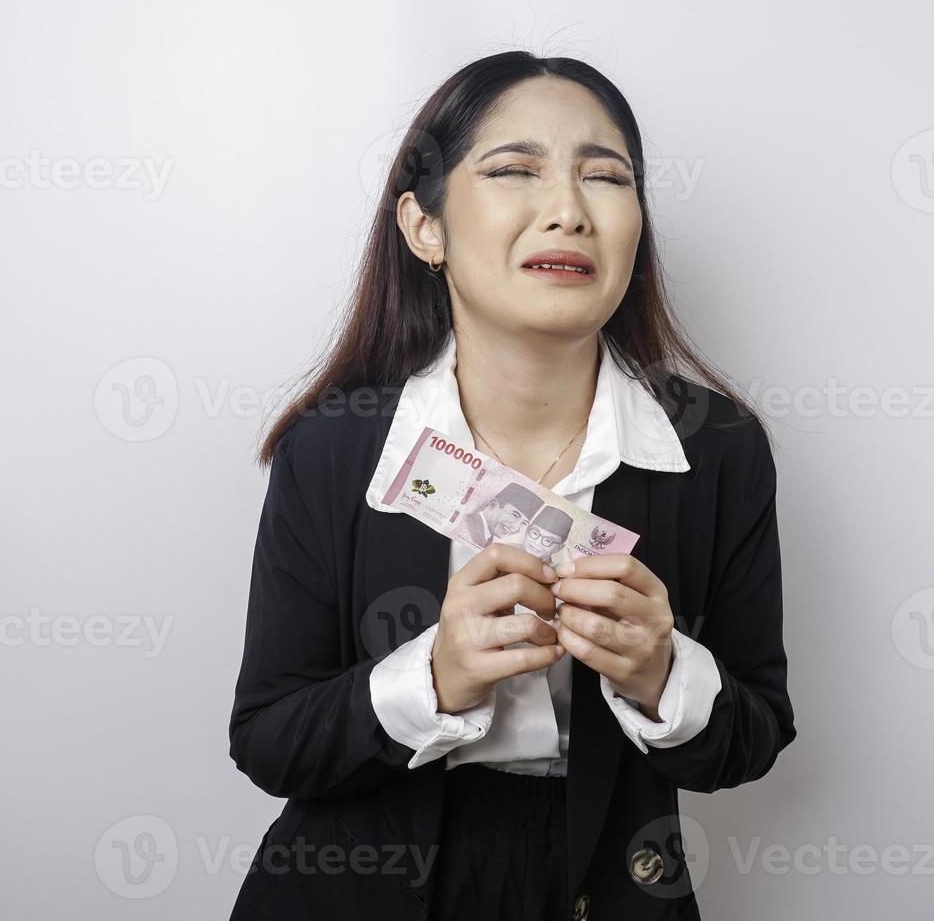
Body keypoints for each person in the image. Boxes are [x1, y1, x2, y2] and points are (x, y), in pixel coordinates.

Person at [228, 50, 796, 921]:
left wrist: (662, 672)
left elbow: (752, 739)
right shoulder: (336, 451)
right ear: (425, 228)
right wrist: (436, 677)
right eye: (514, 170)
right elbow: (268, 741)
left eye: (606, 178)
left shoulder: (716, 451)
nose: (567, 210)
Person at [462, 482, 543, 547]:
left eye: (524, 523)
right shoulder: (466, 525)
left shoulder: (488, 539)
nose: (515, 527)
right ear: (492, 504)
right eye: (514, 515)